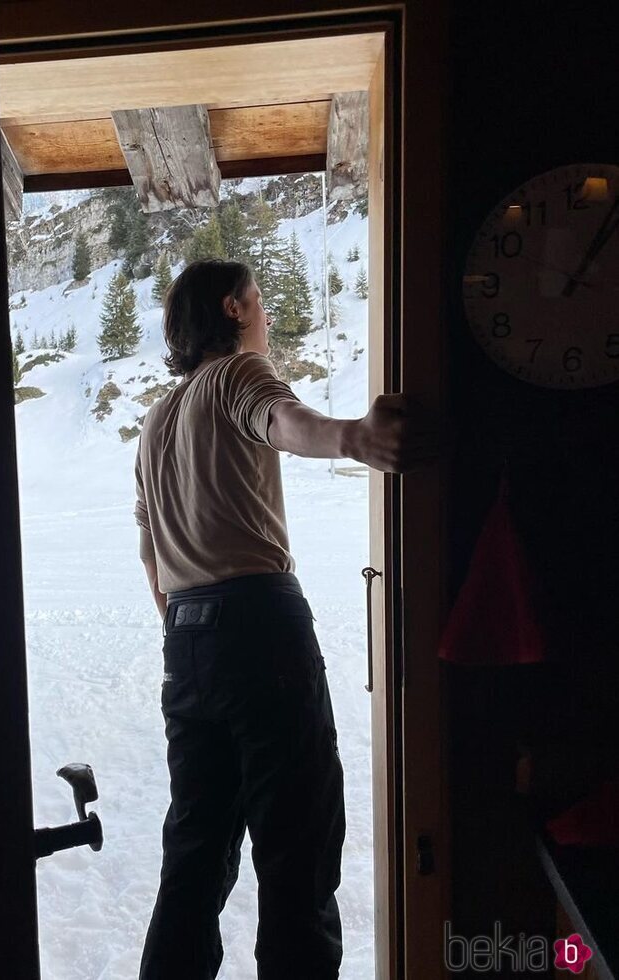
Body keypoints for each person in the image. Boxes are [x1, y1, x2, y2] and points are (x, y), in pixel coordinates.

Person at [134, 259, 438, 979]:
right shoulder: (236, 375)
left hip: (187, 642)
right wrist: (358, 440)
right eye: (260, 303)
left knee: (194, 861)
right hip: (259, 630)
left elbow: (152, 560)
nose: (266, 317)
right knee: (296, 854)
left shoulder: (156, 420)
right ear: (235, 309)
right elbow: (283, 421)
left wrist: (193, 638)